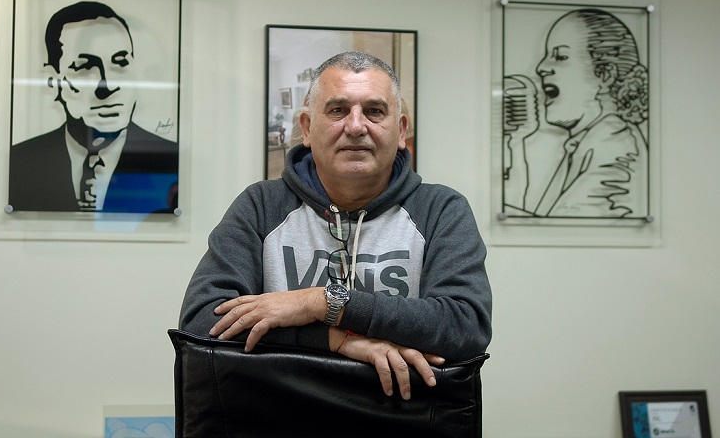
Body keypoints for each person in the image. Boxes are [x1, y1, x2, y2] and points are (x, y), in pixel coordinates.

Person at [179, 51, 492, 400]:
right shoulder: (261, 206)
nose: (356, 127)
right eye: (338, 110)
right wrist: (336, 339)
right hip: (277, 413)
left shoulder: (441, 210)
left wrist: (320, 302)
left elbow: (466, 327)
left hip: (401, 415)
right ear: (307, 128)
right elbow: (201, 322)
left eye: (374, 111)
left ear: (401, 130)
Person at [8, 1, 178, 213]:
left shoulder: (167, 160)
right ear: (54, 81)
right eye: (85, 68)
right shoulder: (22, 161)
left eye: (121, 63)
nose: (107, 86)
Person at [506, 8, 649, 218]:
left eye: (560, 56)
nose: (541, 68)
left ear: (605, 75)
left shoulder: (615, 147)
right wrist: (516, 143)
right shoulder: (586, 142)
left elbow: (561, 229)